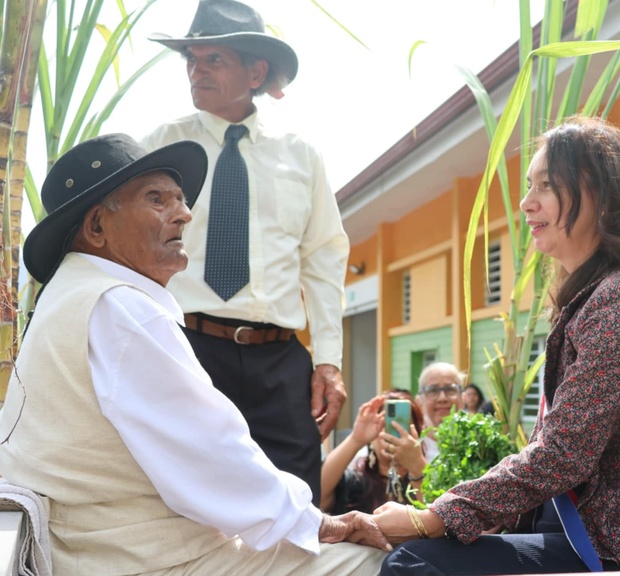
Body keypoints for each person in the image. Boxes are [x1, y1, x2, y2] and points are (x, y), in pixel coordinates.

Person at [0, 134, 387, 575]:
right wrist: (316, 521)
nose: (184, 214)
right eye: (157, 199)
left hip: (100, 547)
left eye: (181, 200)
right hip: (144, 559)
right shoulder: (121, 307)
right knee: (377, 562)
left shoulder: (73, 294)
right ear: (97, 228)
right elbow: (210, 455)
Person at [373, 116, 620, 575]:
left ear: (602, 195)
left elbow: (563, 455)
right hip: (569, 528)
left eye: (546, 186)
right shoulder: (601, 292)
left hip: (609, 547)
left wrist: (432, 517)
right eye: (530, 186)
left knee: (415, 564)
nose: (527, 203)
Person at [141, 0, 348, 504]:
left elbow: (323, 259)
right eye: (192, 58)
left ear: (256, 71)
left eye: (214, 59)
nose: (197, 69)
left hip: (279, 362)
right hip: (188, 350)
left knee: (295, 502)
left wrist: (329, 362)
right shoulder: (158, 150)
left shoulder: (301, 155)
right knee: (188, 506)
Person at [321, 390, 426, 514]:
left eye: (402, 426)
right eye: (386, 425)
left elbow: (441, 515)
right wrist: (355, 439)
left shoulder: (435, 477)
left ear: (417, 434)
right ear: (372, 439)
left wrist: (417, 466)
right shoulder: (355, 483)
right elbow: (317, 494)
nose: (390, 435)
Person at [415, 362, 465, 461]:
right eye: (433, 390)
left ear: (463, 398)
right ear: (419, 402)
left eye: (450, 389)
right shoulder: (412, 447)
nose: (442, 398)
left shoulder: (479, 446)